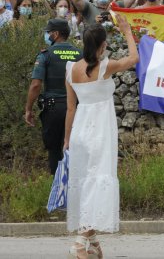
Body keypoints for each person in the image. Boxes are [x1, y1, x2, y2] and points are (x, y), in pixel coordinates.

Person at [63, 16, 138, 258]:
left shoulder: (71, 69)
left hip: (80, 130)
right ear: (102, 44)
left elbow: (71, 108)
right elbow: (134, 59)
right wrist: (127, 31)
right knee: (97, 181)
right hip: (100, 131)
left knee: (87, 182)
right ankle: (80, 241)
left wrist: (66, 139)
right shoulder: (106, 66)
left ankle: (91, 240)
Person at [23, 19, 82, 175]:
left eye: (49, 33)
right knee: (73, 148)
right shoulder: (79, 54)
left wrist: (28, 109)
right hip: (76, 108)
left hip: (53, 108)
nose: (47, 35)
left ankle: (57, 188)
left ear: (56, 34)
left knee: (55, 149)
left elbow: (36, 85)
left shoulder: (45, 55)